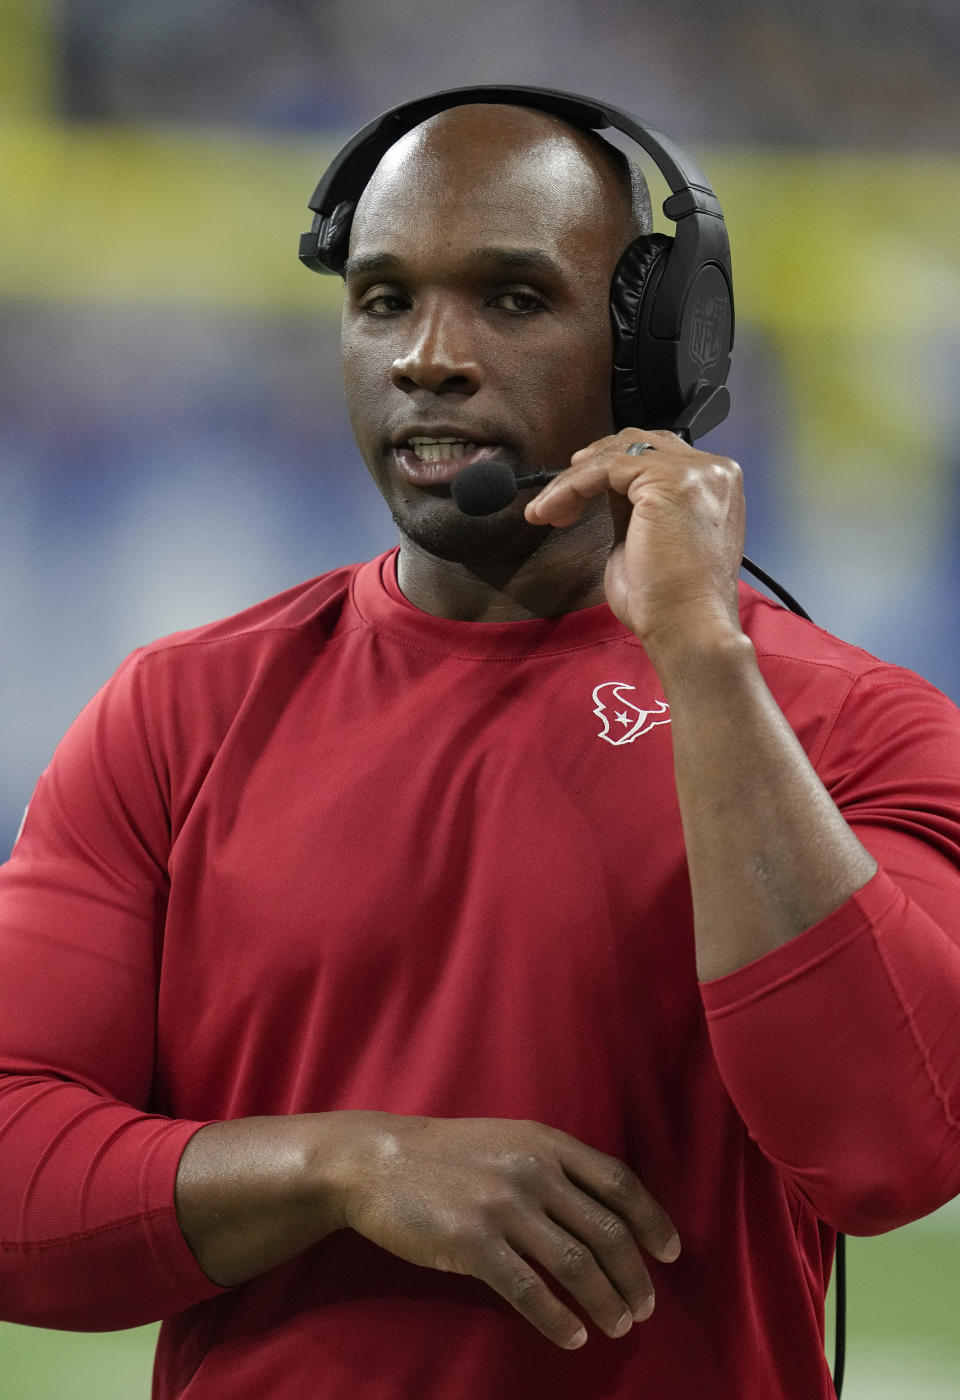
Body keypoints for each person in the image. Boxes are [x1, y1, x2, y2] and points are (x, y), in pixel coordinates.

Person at [2, 97, 959, 1400]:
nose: (428, 357)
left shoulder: (853, 727)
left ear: (655, 354)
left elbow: (889, 1151)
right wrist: (350, 1168)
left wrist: (702, 656)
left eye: (511, 299)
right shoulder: (177, 713)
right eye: (384, 299)